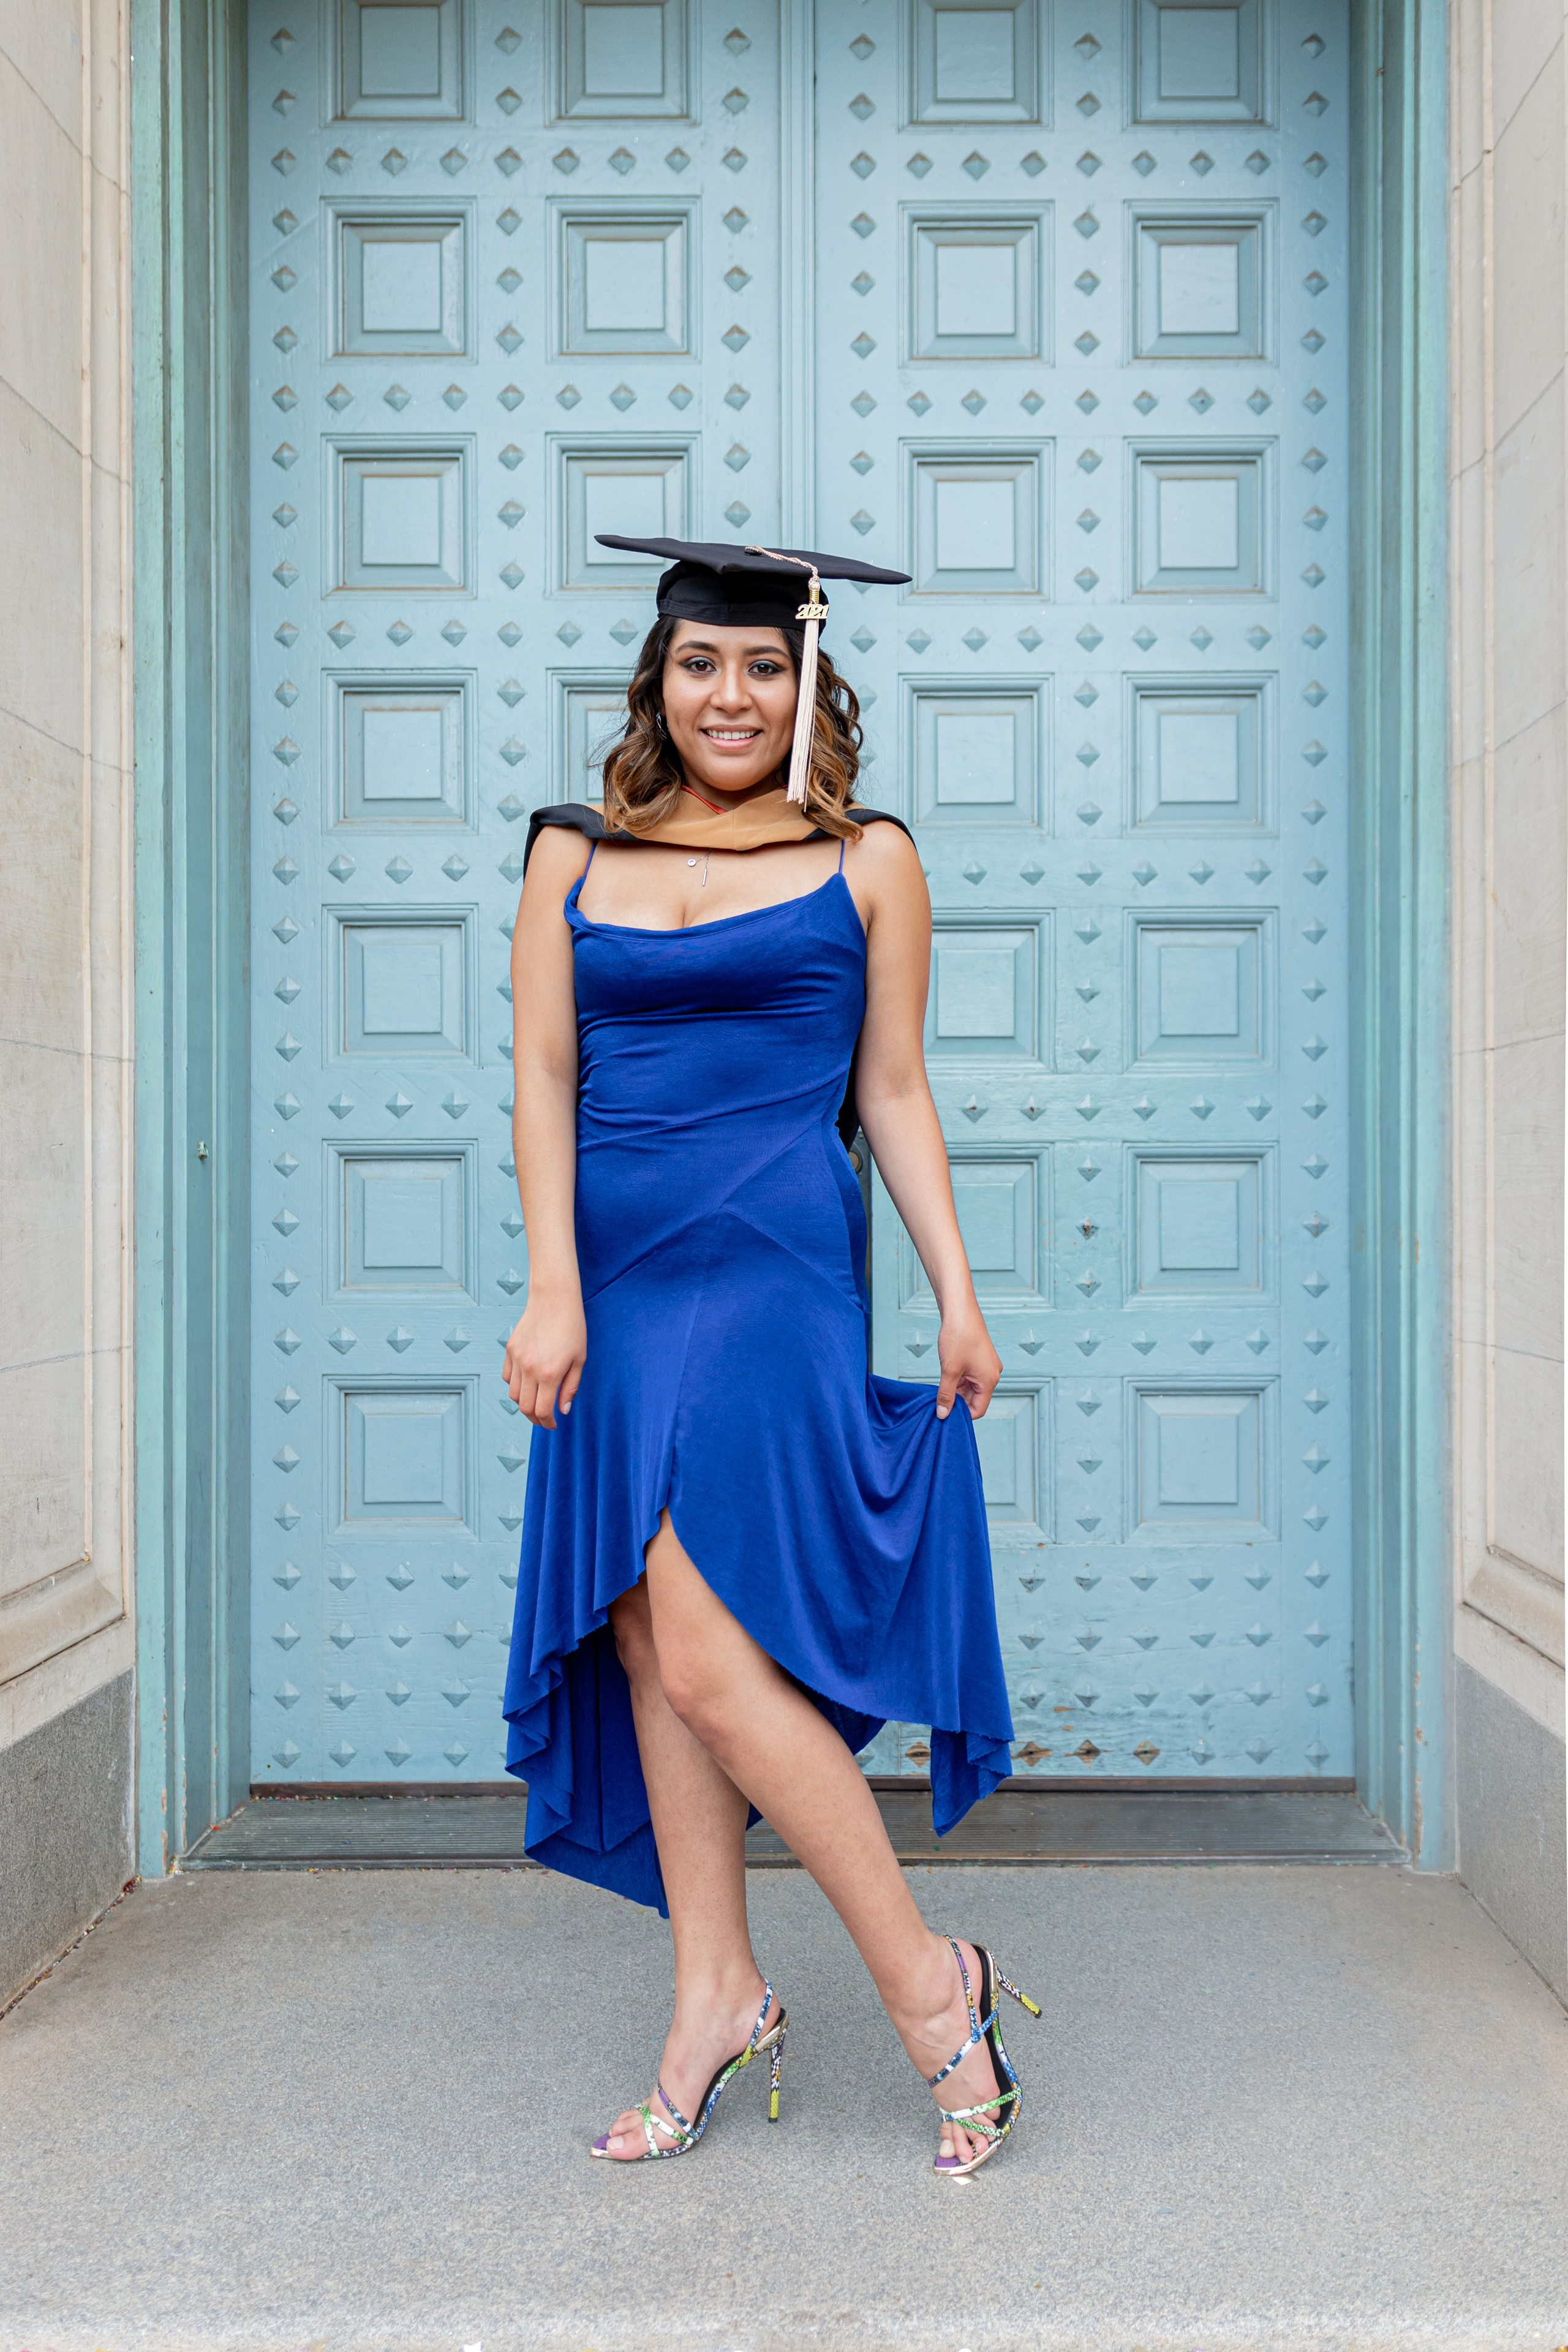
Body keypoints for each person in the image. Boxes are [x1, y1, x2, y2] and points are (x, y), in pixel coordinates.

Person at [501, 538, 1039, 2178]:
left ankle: (932, 1990)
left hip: (776, 1279)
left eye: (764, 667)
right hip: (619, 1289)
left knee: (717, 1661)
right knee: (660, 1644)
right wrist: (549, 1287)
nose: (732, 695)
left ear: (808, 686)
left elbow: (890, 1090)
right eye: (701, 666)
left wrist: (955, 1289)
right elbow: (540, 1080)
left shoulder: (867, 859)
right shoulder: (571, 854)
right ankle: (714, 1985)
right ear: (658, 684)